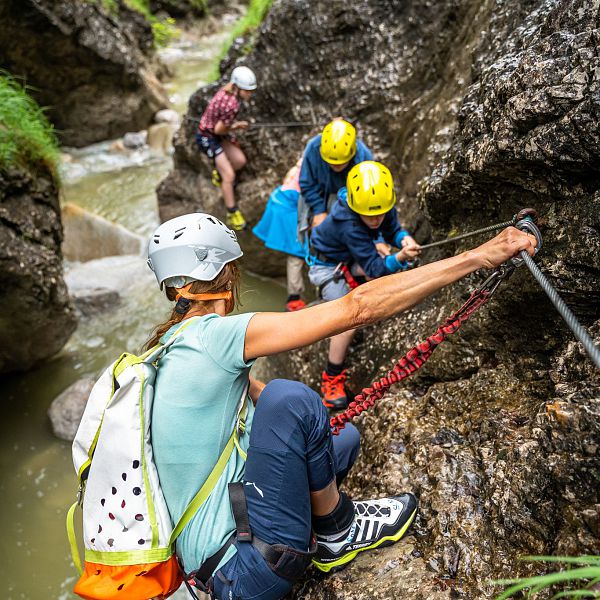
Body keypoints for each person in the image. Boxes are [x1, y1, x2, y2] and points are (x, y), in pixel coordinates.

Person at [145, 211, 536, 600]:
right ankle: (337, 531)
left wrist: (313, 430)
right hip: (242, 573)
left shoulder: (172, 347)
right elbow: (357, 308)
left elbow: (255, 397)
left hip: (214, 572)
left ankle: (316, 529)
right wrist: (480, 256)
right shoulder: (214, 336)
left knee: (340, 438)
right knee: (293, 399)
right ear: (226, 276)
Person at [308, 161, 420, 409]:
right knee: (345, 321)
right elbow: (373, 268)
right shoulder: (346, 222)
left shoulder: (379, 203)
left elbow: (392, 229)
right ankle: (331, 378)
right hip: (327, 266)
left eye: (380, 212)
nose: (376, 219)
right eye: (369, 215)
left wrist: (404, 240)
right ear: (355, 206)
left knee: (383, 254)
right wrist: (400, 258)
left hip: (349, 257)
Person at [196, 66, 257, 231]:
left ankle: (220, 173)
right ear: (237, 88)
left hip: (216, 136)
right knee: (229, 175)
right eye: (247, 90)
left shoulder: (226, 92)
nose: (249, 94)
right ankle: (232, 212)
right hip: (208, 138)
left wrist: (233, 126)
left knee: (239, 160)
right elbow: (218, 129)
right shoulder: (232, 104)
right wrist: (237, 127)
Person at [253, 158, 309, 311]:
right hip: (290, 207)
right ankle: (294, 298)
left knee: (297, 253)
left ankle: (295, 296)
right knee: (296, 254)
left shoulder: (300, 163)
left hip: (280, 200)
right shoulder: (313, 168)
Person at [299, 118, 373, 229]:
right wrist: (319, 211)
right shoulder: (313, 148)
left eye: (341, 162)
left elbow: (370, 195)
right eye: (331, 162)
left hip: (350, 199)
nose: (335, 166)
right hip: (318, 194)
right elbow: (306, 183)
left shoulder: (364, 158)